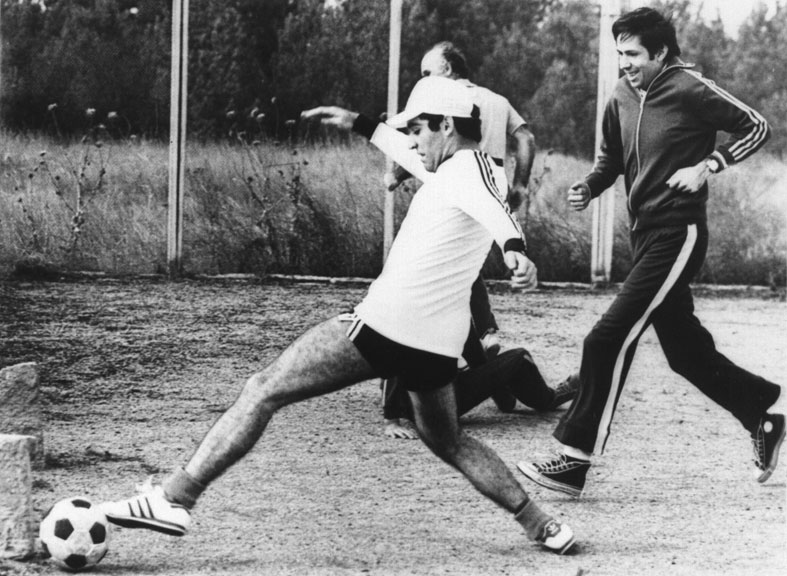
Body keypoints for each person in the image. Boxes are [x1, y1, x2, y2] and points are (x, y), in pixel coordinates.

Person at [100, 76, 577, 554]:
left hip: (387, 326)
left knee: (263, 390)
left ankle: (175, 499)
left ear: (446, 126)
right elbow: (426, 163)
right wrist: (359, 123)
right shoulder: (472, 165)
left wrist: (515, 251)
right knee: (449, 441)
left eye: (418, 129)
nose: (412, 140)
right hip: (436, 343)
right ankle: (543, 524)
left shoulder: (465, 174)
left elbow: (499, 216)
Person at [517, 7, 783, 499]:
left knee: (606, 339)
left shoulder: (690, 87)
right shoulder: (620, 94)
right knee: (685, 354)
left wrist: (710, 164)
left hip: (677, 233)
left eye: (634, 54)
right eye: (619, 53)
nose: (625, 63)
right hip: (643, 237)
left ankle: (574, 460)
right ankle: (760, 413)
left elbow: (757, 127)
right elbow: (612, 159)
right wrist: (591, 186)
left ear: (661, 53)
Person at [385, 41, 537, 407]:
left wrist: (396, 175)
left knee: (436, 281)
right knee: (462, 278)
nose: (422, 80)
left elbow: (427, 142)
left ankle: (484, 349)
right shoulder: (497, 101)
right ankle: (491, 362)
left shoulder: (442, 103)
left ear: (448, 70)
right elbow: (526, 138)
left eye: (427, 72)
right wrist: (519, 185)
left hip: (451, 201)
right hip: (490, 201)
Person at [383, 325, 579, 439]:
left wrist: (504, 399)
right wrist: (391, 421)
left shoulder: (456, 314)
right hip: (424, 406)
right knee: (519, 357)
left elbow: (479, 363)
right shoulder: (418, 315)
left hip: (440, 399)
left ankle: (518, 396)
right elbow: (392, 364)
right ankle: (550, 398)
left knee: (511, 361)